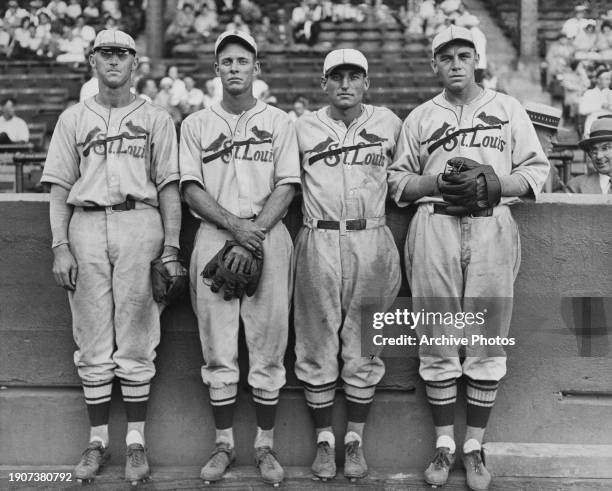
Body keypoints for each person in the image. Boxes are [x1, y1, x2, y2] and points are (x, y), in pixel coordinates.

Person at [387, 26, 549, 491]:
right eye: (445, 57)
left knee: (487, 338)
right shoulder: (420, 116)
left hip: (491, 223)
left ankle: (474, 447)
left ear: (476, 59)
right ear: (433, 64)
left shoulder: (507, 109)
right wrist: (436, 182)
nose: (455, 63)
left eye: (463, 55)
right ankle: (444, 445)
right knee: (437, 338)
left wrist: (495, 183)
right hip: (434, 224)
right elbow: (398, 182)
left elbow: (536, 172)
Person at [40, 30, 183, 485]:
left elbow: (169, 188)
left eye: (123, 53)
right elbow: (60, 187)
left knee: (139, 336)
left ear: (135, 63)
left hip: (140, 221)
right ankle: (98, 439)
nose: (114, 60)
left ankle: (136, 442)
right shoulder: (73, 118)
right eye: (106, 53)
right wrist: (59, 245)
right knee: (92, 336)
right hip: (85, 224)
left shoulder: (156, 117)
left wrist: (173, 247)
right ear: (92, 60)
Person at [179, 30, 300, 486]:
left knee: (270, 344)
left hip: (267, 233)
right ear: (216, 70)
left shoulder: (281, 122)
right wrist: (235, 227)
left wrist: (255, 230)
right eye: (226, 61)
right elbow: (190, 186)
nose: (234, 68)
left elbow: (287, 185)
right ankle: (225, 444)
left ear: (256, 69)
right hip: (215, 235)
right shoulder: (195, 124)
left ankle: (265, 448)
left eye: (242, 61)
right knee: (217, 346)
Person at [293, 48, 402, 482]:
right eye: (336, 76)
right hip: (317, 234)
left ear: (366, 83)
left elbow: (409, 177)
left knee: (366, 342)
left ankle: (353, 440)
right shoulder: (301, 126)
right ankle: (324, 441)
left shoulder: (389, 122)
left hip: (371, 236)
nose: (344, 84)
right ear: (323, 83)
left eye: (353, 76)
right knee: (315, 339)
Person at [524, 101, 566, 192]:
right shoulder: (507, 164)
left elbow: (559, 192)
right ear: (531, 134)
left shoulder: (549, 168)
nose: (556, 142)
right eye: (550, 136)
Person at [569, 116, 612, 193]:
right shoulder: (576, 187)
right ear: (589, 154)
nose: (599, 156)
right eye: (594, 150)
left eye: (605, 148)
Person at [579, 69, 612, 137]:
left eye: (609, 79)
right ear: (598, 80)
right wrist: (600, 106)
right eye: (606, 79)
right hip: (592, 127)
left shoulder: (610, 94)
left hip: (608, 128)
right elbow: (582, 110)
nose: (609, 81)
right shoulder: (589, 93)